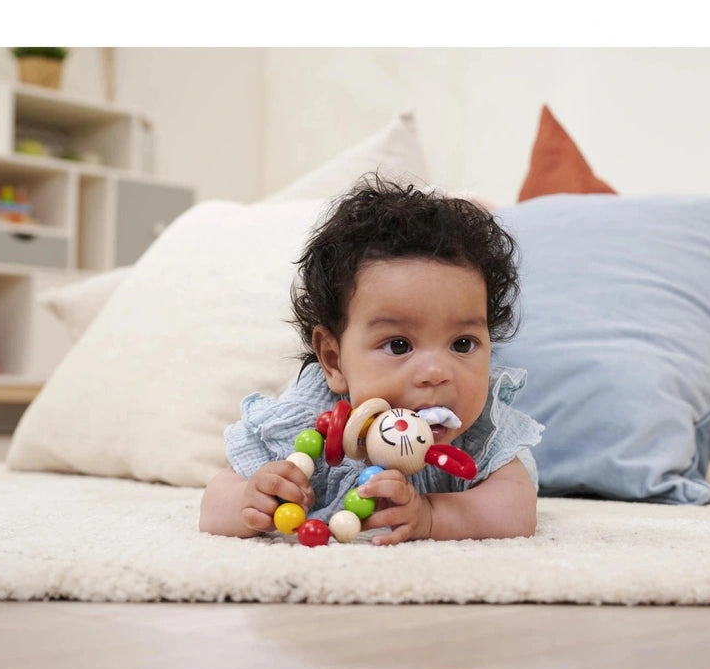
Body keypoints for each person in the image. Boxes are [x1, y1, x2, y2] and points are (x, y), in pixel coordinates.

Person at [199, 176, 543, 544]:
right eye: (398, 345)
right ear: (334, 361)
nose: (436, 373)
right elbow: (212, 505)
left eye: (462, 344)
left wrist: (431, 516)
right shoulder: (312, 424)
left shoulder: (480, 432)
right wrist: (250, 501)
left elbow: (516, 509)